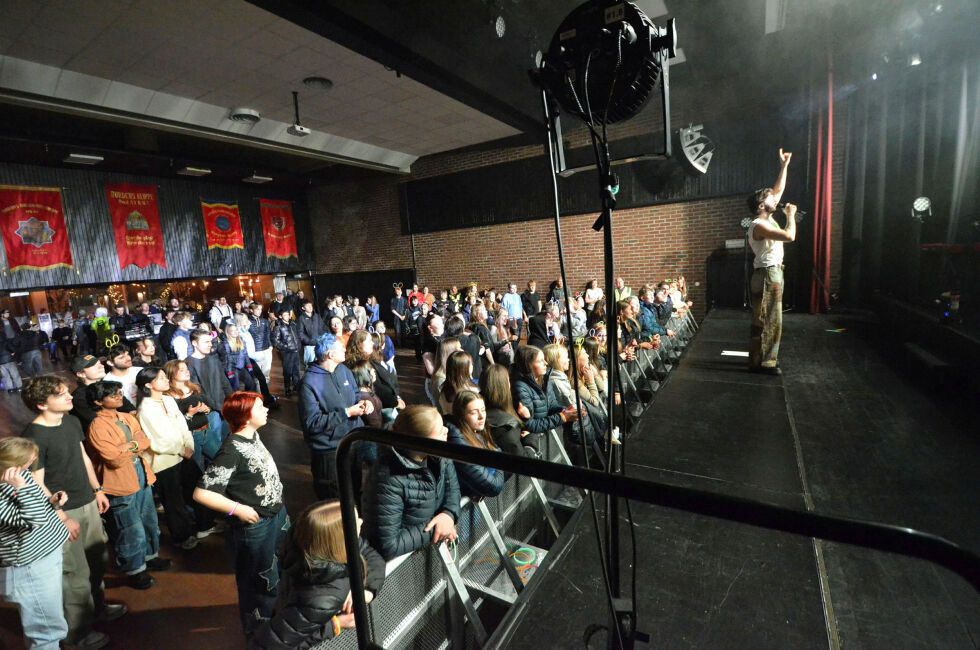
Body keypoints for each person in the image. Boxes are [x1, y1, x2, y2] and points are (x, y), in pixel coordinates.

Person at [20, 376, 122, 650]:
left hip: (87, 501)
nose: (69, 397)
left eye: (66, 391)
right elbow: (37, 482)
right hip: (64, 513)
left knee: (97, 560)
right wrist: (61, 515)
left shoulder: (71, 421)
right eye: (61, 394)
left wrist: (97, 489)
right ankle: (77, 635)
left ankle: (98, 609)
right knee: (75, 576)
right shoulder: (34, 436)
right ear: (42, 404)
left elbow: (83, 457)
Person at [194, 392, 289, 637]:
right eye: (259, 407)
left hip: (276, 517)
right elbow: (202, 493)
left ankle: (276, 625)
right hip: (256, 526)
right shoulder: (231, 451)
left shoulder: (253, 435)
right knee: (258, 584)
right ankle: (259, 637)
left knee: (276, 573)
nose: (266, 409)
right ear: (245, 417)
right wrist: (238, 509)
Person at [247, 501, 385, 649]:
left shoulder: (309, 540)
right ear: (339, 540)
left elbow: (371, 555)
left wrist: (367, 589)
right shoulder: (321, 599)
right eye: (356, 522)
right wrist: (335, 625)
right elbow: (266, 646)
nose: (362, 521)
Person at [86, 381, 170, 591]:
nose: (118, 395)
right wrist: (134, 446)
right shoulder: (97, 426)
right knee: (130, 527)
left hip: (140, 472)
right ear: (98, 402)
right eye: (111, 394)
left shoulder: (126, 417)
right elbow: (112, 458)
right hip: (119, 481)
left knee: (149, 520)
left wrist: (128, 446)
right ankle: (134, 569)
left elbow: (144, 440)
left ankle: (150, 556)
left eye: (118, 392)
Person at [360, 406, 460, 561]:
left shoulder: (439, 456)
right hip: (405, 568)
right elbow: (387, 544)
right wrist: (436, 529)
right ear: (421, 442)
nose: (446, 431)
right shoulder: (388, 480)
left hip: (427, 554)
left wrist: (448, 514)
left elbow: (452, 487)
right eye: (440, 431)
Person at [0, 437, 72, 650]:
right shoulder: (13, 484)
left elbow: (37, 507)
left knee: (50, 624)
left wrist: (52, 503)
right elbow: (33, 520)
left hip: (45, 556)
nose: (30, 466)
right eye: (26, 463)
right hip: (30, 567)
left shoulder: (21, 476)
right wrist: (21, 488)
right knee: (46, 633)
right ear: (11, 465)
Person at [135, 367, 214, 551]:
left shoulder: (169, 400)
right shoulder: (145, 409)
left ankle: (205, 525)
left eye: (164, 377)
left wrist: (188, 445)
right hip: (164, 462)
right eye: (160, 378)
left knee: (198, 488)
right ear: (148, 385)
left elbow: (182, 425)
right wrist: (181, 449)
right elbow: (157, 441)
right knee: (173, 501)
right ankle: (183, 536)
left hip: (182, 454)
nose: (166, 380)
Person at [298, 333, 372, 500]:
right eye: (341, 348)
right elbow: (312, 424)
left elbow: (355, 394)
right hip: (329, 451)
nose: (345, 350)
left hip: (352, 441)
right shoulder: (309, 383)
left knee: (355, 489)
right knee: (333, 498)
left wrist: (363, 404)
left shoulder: (344, 370)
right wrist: (347, 413)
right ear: (331, 355)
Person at [747, 148, 796, 375]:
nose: (775, 199)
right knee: (771, 319)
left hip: (767, 272)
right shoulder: (760, 225)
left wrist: (784, 165)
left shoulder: (765, 218)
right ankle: (766, 363)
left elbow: (778, 189)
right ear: (760, 206)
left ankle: (756, 360)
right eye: (769, 199)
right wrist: (791, 216)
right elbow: (789, 236)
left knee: (761, 318)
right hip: (768, 274)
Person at [163, 359, 229, 471]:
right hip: (191, 437)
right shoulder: (168, 396)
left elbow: (210, 405)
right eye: (182, 370)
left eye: (187, 369)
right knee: (195, 470)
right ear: (172, 373)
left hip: (207, 432)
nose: (187, 371)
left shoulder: (193, 388)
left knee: (223, 461)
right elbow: (172, 424)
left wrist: (207, 410)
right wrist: (189, 414)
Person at [512, 345, 580, 437]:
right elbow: (529, 425)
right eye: (540, 361)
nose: (546, 363)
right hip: (537, 442)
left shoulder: (545, 379)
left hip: (547, 435)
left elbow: (552, 407)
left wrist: (565, 411)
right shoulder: (520, 388)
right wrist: (562, 417)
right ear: (528, 365)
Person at [447, 391, 504, 499]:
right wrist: (498, 458)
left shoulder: (476, 432)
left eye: (483, 410)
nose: (481, 416)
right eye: (474, 412)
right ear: (461, 415)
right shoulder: (459, 445)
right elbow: (494, 486)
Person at [479, 365, 537, 458]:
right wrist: (530, 440)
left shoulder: (478, 408)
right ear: (504, 386)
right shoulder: (505, 428)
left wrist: (524, 419)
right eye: (508, 380)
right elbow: (523, 463)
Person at [185, 330, 234, 416]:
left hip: (224, 407)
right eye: (206, 342)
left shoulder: (213, 360)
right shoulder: (188, 364)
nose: (210, 344)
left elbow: (224, 382)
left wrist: (232, 401)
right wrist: (216, 408)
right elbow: (197, 392)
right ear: (194, 343)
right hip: (209, 411)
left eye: (210, 341)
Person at [271, 309, 301, 397]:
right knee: (287, 372)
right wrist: (286, 347)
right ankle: (287, 389)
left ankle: (296, 386)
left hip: (295, 350)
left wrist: (298, 345)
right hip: (287, 353)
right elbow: (275, 341)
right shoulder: (278, 326)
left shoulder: (293, 324)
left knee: (296, 371)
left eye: (288, 315)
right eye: (285, 315)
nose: (287, 317)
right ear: (280, 316)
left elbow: (297, 335)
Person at [438, 351, 477, 415]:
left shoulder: (444, 387)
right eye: (471, 364)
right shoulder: (472, 391)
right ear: (464, 368)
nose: (473, 366)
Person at [223, 322, 257, 393]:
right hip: (232, 369)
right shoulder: (226, 343)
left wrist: (249, 367)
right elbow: (227, 360)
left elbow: (245, 355)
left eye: (236, 330)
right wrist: (230, 373)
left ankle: (249, 400)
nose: (236, 332)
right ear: (228, 332)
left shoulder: (241, 340)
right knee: (236, 389)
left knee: (252, 384)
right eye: (233, 330)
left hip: (241, 367)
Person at [104, 345, 140, 409]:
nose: (128, 358)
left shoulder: (140, 371)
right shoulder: (107, 382)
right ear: (110, 363)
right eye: (121, 357)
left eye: (127, 354)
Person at [248, 303, 274, 381]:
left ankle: (266, 391)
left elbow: (268, 334)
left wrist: (270, 345)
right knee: (257, 373)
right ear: (251, 310)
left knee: (267, 371)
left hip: (266, 349)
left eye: (260, 309)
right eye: (257, 309)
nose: (260, 311)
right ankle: (258, 391)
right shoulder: (247, 322)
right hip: (255, 350)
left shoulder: (265, 321)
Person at [297, 300, 325, 366]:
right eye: (308, 306)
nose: (310, 307)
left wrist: (322, 338)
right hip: (309, 346)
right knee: (309, 365)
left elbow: (323, 327)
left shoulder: (317, 316)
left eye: (311, 305)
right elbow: (300, 333)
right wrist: (310, 341)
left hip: (319, 344)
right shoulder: (301, 318)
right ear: (303, 308)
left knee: (320, 364)